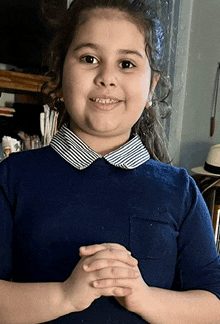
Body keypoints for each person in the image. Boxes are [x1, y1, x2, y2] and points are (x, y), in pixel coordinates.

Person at [0, 0, 220, 323]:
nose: (107, 77)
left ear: (151, 88)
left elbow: (213, 305)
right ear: (60, 74)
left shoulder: (180, 192)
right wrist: (65, 295)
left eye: (127, 64)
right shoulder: (13, 178)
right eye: (90, 59)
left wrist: (143, 297)